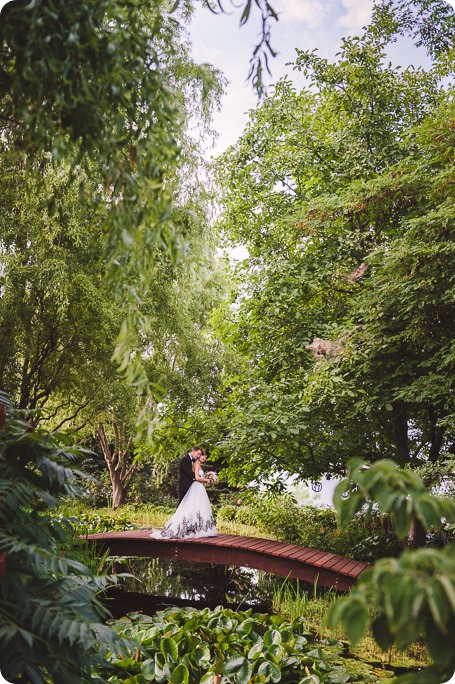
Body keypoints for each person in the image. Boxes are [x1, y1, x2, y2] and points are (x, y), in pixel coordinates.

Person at [150, 450, 218, 539]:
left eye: (205, 458)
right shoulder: (194, 463)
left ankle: (197, 528)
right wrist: (207, 480)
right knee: (187, 508)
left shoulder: (196, 463)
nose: (203, 458)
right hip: (195, 487)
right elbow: (196, 477)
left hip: (198, 488)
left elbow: (198, 474)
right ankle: (181, 528)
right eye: (202, 456)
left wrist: (210, 475)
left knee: (198, 508)